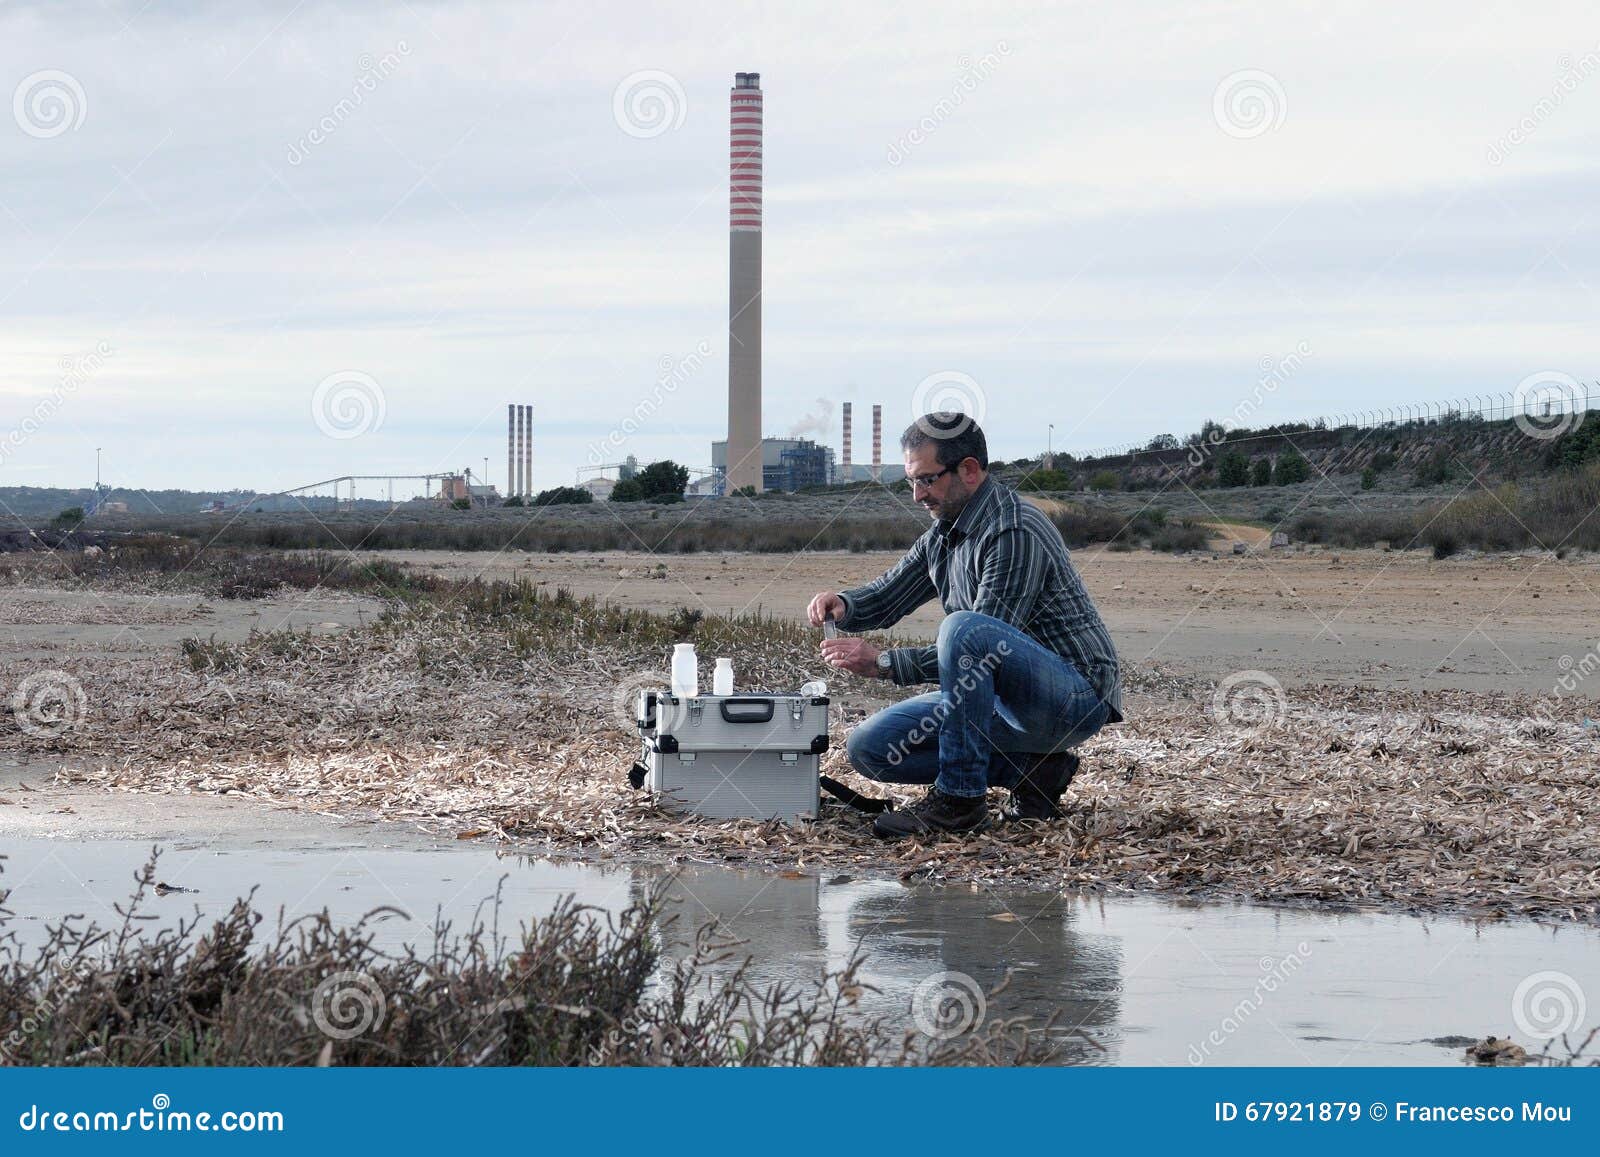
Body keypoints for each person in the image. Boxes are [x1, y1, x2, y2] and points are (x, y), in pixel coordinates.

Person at [807, 412, 1122, 839]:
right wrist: (843, 604)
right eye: (910, 482)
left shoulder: (1013, 530)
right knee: (870, 748)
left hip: (1072, 696)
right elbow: (888, 594)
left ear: (969, 470)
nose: (917, 495)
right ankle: (1034, 772)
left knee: (963, 629)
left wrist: (884, 663)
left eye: (927, 480)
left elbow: (983, 647)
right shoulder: (944, 532)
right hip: (999, 698)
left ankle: (959, 802)